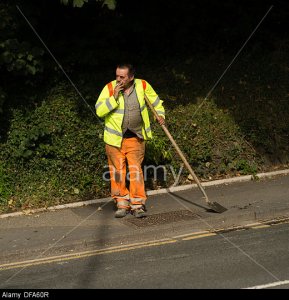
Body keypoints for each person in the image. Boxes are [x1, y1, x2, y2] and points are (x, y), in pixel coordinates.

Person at [95, 63, 165, 218]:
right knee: (117, 173)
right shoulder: (109, 88)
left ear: (131, 77)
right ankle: (121, 203)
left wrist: (160, 115)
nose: (118, 80)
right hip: (114, 140)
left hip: (136, 137)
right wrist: (113, 98)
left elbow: (156, 103)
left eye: (122, 77)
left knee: (136, 171)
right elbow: (99, 111)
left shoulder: (143, 85)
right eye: (117, 76)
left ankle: (137, 204)